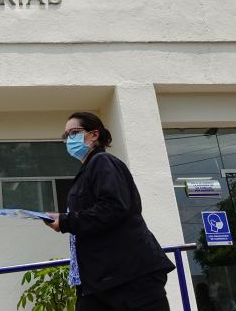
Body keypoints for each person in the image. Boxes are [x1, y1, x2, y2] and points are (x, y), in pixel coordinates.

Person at [43, 112, 176, 311]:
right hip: (99, 281)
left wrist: (66, 221)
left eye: (74, 132)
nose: (69, 139)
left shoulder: (102, 161)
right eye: (66, 135)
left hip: (130, 276)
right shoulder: (87, 170)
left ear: (94, 135)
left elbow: (113, 206)